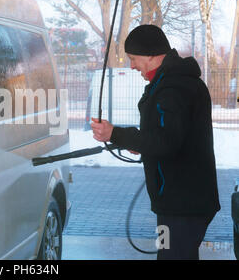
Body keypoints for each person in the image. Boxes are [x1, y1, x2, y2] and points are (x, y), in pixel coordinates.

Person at [91, 24, 221, 260]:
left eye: (133, 58)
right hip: (178, 203)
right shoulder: (171, 84)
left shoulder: (173, 88)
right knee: (171, 254)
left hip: (182, 205)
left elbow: (166, 142)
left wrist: (116, 134)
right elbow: (167, 137)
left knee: (172, 256)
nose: (131, 65)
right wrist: (137, 143)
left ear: (150, 54)